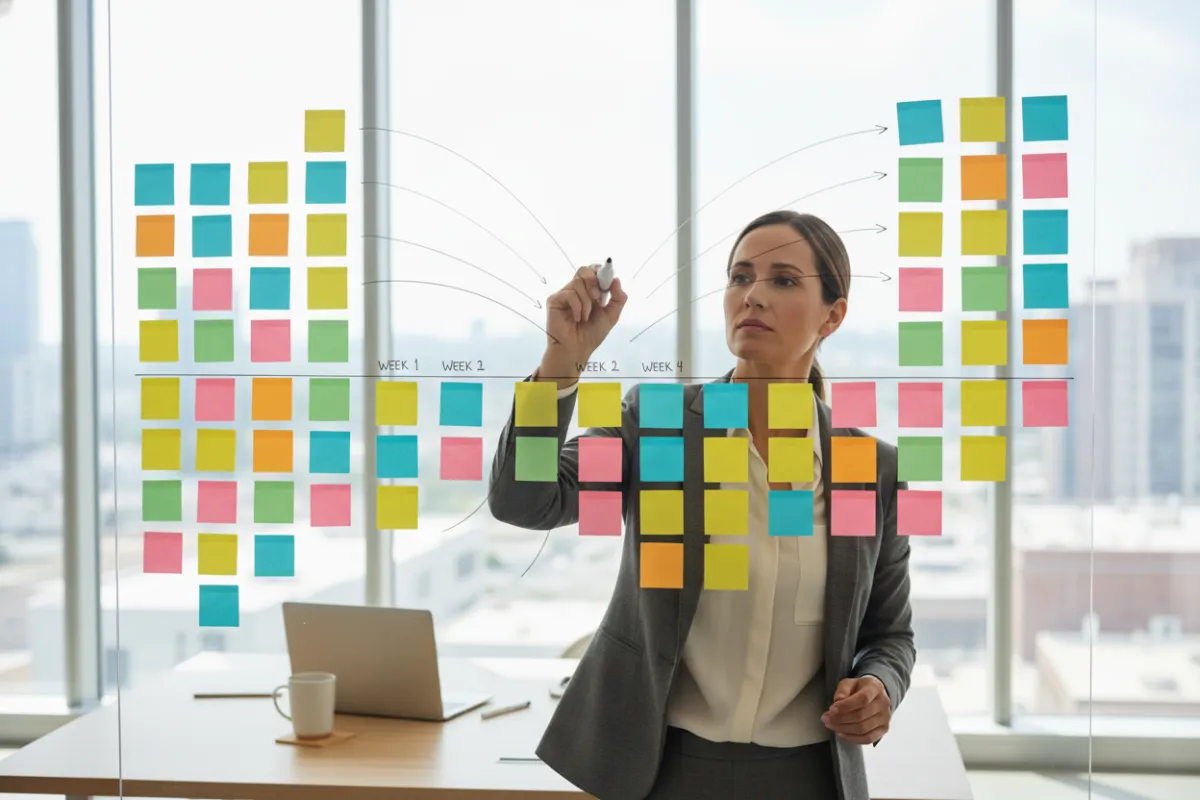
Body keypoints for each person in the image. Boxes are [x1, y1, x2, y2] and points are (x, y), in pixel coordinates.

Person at [487, 210, 915, 800]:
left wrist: (878, 684)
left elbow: (890, 634)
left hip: (810, 776)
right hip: (662, 769)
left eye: (784, 280)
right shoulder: (664, 428)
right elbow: (524, 500)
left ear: (833, 315)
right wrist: (563, 358)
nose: (753, 296)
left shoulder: (872, 471)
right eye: (740, 277)